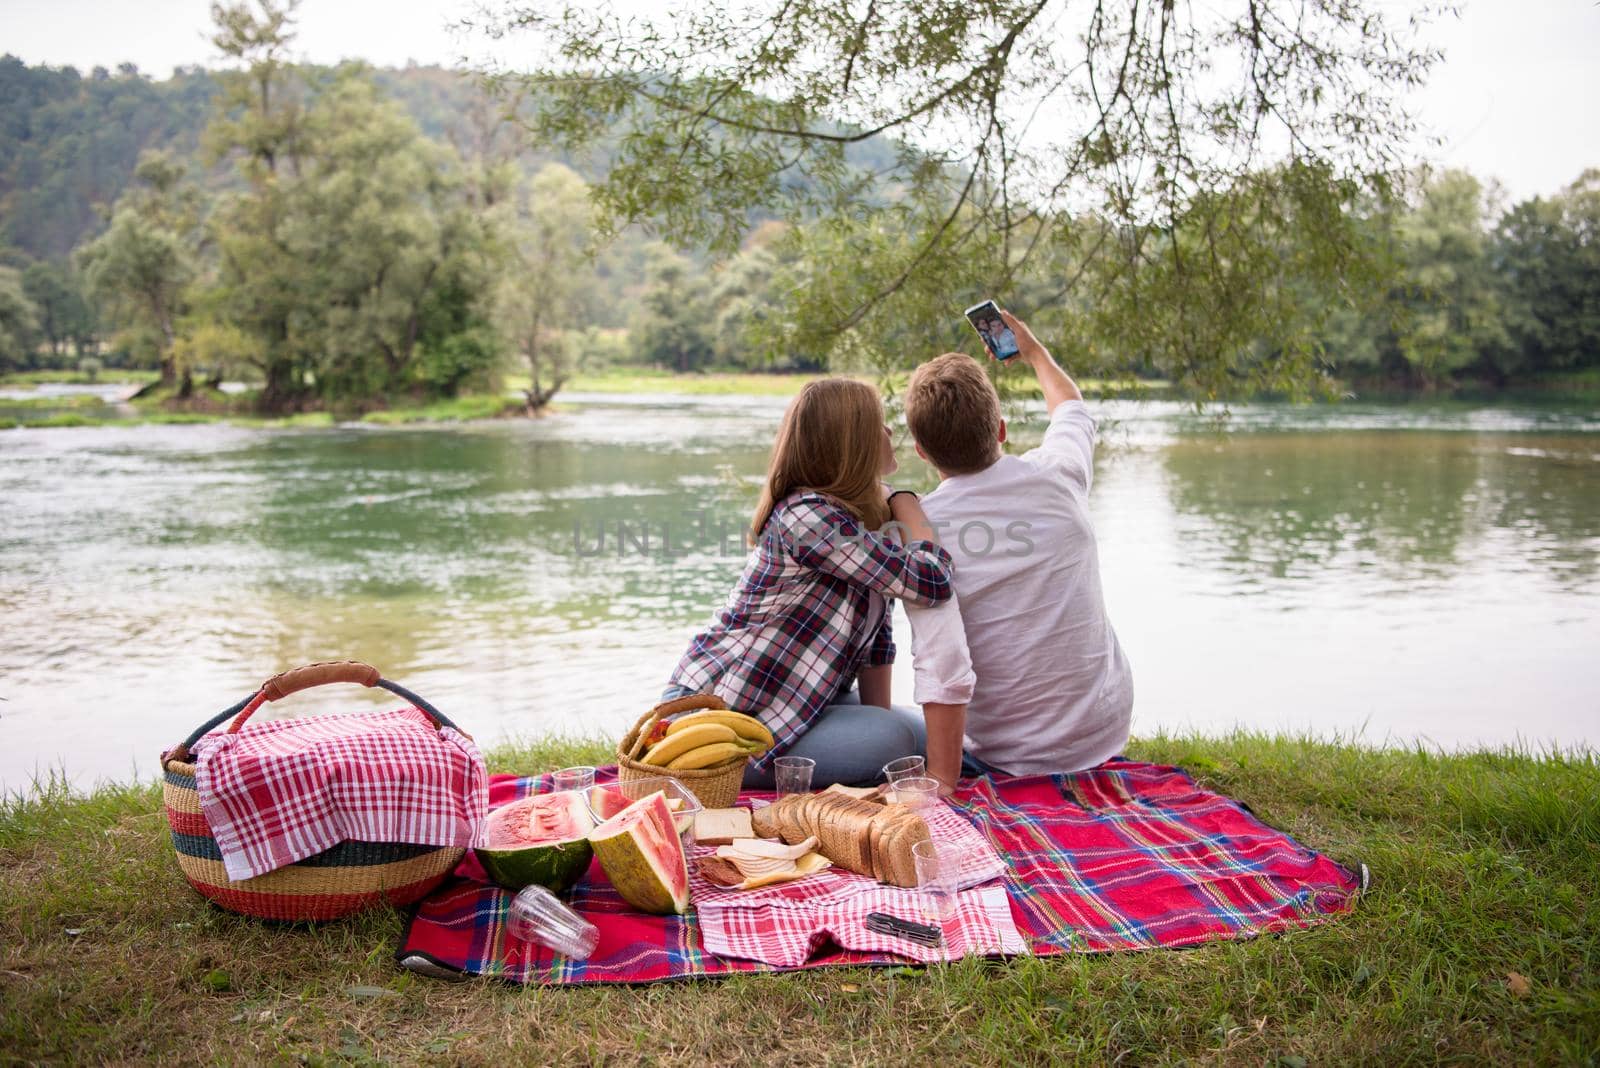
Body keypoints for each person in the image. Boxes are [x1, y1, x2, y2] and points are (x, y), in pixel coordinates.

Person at [660, 377, 954, 788]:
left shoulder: (860, 519)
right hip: (731, 717)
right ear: (852, 443)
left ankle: (881, 742)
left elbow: (877, 647)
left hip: (794, 698)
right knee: (897, 742)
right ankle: (721, 771)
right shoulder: (807, 517)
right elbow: (933, 580)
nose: (890, 434)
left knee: (920, 738)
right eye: (880, 424)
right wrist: (905, 501)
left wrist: (878, 718)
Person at [900, 309, 1133, 789]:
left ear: (921, 453)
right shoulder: (1059, 475)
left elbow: (939, 664)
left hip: (1005, 755)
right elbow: (1072, 408)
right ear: (1001, 429)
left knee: (884, 728)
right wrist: (1032, 352)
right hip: (1103, 736)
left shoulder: (921, 532)